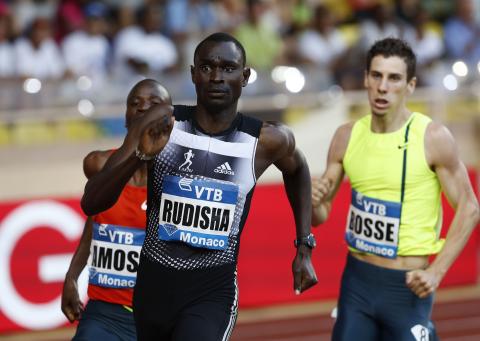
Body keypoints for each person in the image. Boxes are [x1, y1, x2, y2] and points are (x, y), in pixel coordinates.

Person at [81, 32, 317, 340]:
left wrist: (304, 244)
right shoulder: (162, 123)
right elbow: (92, 203)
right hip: (152, 287)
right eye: (207, 67)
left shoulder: (265, 140)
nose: (217, 77)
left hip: (211, 292)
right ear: (193, 74)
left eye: (228, 68)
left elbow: (297, 169)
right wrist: (139, 155)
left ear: (244, 77)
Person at [311, 37, 479, 341]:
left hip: (406, 287)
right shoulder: (346, 136)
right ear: (365, 79)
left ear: (410, 85)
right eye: (376, 76)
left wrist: (436, 272)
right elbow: (319, 215)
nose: (383, 87)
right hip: (357, 283)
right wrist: (311, 200)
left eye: (394, 78)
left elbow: (470, 208)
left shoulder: (432, 137)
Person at [61, 79, 172, 340]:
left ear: (169, 118)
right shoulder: (98, 164)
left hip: (161, 315)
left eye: (153, 104)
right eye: (135, 104)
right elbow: (96, 221)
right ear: (125, 117)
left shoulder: (179, 176)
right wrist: (72, 276)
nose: (143, 108)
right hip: (105, 313)